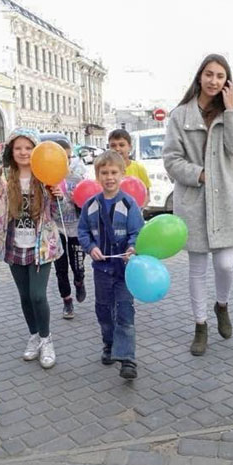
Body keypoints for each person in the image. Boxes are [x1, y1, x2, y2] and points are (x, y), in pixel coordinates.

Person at [163, 54, 233, 356]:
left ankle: (221, 305)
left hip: (225, 198)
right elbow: (171, 159)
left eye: (220, 76)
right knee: (197, 269)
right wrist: (197, 174)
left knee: (226, 264)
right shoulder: (179, 116)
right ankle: (200, 325)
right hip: (194, 201)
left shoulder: (230, 111)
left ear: (226, 82)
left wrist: (231, 111)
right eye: (209, 74)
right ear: (200, 76)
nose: (214, 81)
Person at [0, 128, 63, 369]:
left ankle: (46, 339)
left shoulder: (46, 177)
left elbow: (58, 216)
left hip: (42, 247)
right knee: (24, 296)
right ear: (11, 152)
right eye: (18, 148)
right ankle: (34, 335)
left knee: (37, 295)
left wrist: (57, 197)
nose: (23, 152)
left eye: (28, 147)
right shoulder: (3, 179)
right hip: (14, 245)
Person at [77, 150, 144, 379]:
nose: (109, 177)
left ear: (122, 174)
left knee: (125, 311)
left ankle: (127, 359)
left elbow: (137, 232)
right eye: (104, 172)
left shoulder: (129, 203)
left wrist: (132, 248)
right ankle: (108, 343)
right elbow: (83, 230)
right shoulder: (90, 205)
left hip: (125, 270)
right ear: (97, 175)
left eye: (114, 172)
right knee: (104, 310)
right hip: (101, 271)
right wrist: (90, 247)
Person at [50, 138, 88, 319]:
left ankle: (80, 282)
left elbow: (87, 205)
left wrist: (77, 200)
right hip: (56, 232)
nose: (64, 161)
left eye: (68, 157)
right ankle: (67, 302)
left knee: (78, 266)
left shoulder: (77, 178)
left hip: (76, 231)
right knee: (61, 269)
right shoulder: (46, 179)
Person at [108, 129, 151, 207]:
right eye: (113, 145)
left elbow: (147, 195)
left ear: (130, 147)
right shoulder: (105, 170)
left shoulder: (138, 168)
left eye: (121, 145)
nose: (117, 149)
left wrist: (137, 211)